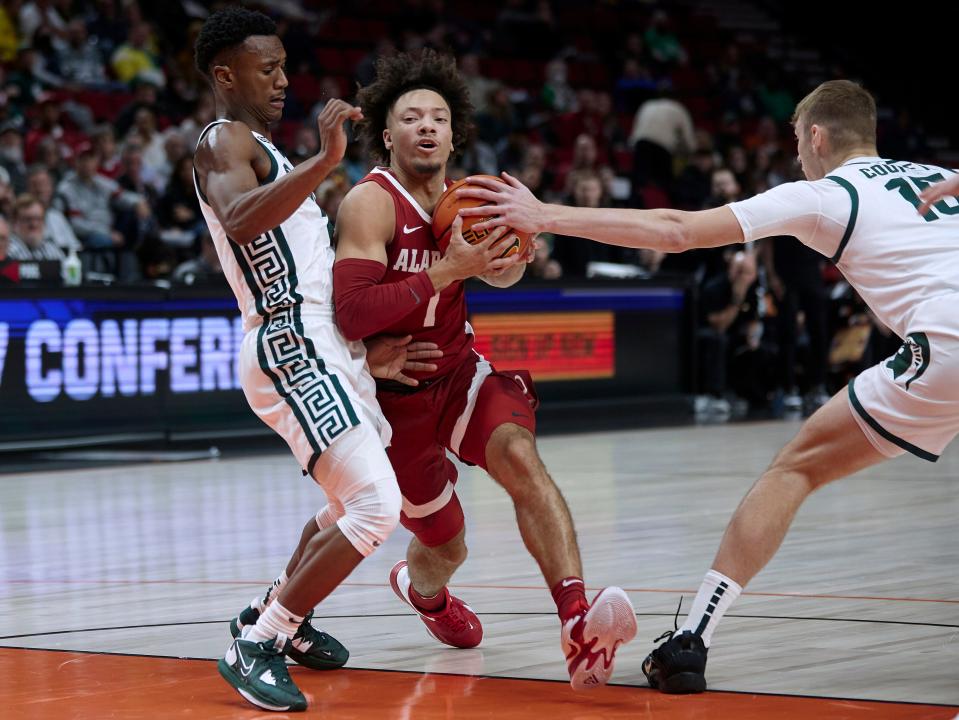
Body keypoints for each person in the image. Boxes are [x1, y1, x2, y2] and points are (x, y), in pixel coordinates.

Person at [459, 79, 959, 693]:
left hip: (946, 345)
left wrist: (546, 216)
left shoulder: (826, 194)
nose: (798, 155)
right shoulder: (937, 175)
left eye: (799, 141)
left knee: (794, 470)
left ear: (818, 136)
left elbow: (676, 230)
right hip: (938, 343)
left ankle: (691, 640)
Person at [332, 49, 637, 691]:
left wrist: (512, 258)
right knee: (447, 547)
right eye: (410, 117)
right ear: (387, 136)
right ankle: (425, 595)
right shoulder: (370, 203)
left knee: (522, 459)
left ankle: (578, 624)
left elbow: (501, 274)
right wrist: (449, 271)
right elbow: (352, 313)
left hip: (460, 373)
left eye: (438, 118)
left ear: (453, 133)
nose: (426, 127)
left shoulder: (467, 201)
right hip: (394, 404)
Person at [192, 8, 440, 712]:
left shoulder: (264, 150)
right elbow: (240, 221)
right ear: (223, 74)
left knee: (342, 505)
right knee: (373, 508)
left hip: (322, 342)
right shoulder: (222, 142)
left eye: (281, 66)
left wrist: (363, 346)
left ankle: (275, 616)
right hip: (287, 341)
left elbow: (311, 270)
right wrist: (326, 162)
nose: (280, 79)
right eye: (264, 68)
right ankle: (261, 641)